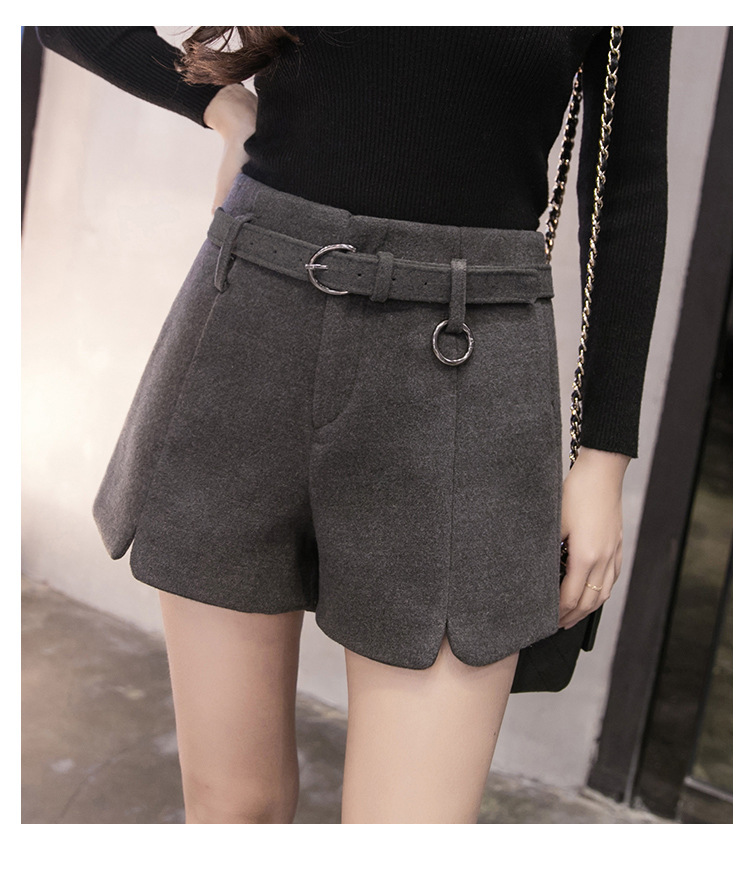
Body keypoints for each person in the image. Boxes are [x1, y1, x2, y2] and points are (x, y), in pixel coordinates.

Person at [34, 26, 672, 824]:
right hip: (253, 314)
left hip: (468, 363)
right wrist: (221, 105)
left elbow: (629, 184)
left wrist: (604, 458)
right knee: (232, 810)